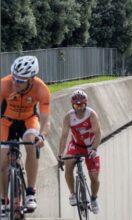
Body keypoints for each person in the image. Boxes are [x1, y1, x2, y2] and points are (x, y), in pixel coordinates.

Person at [0, 55, 51, 215]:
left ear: (31, 79)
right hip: (6, 122)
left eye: (21, 80)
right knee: (2, 161)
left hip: (28, 120)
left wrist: (42, 136)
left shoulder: (41, 89)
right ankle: (4, 201)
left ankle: (30, 193)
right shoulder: (4, 85)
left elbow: (45, 121)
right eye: (14, 77)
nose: (15, 82)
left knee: (31, 142)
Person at [58, 89, 101, 214]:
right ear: (73, 105)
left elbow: (98, 133)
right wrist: (60, 154)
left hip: (90, 146)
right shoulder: (68, 117)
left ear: (85, 104)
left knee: (94, 177)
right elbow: (64, 136)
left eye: (81, 105)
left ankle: (93, 199)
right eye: (76, 105)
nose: (79, 108)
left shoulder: (91, 115)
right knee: (68, 164)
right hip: (76, 145)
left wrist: (94, 149)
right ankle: (72, 193)